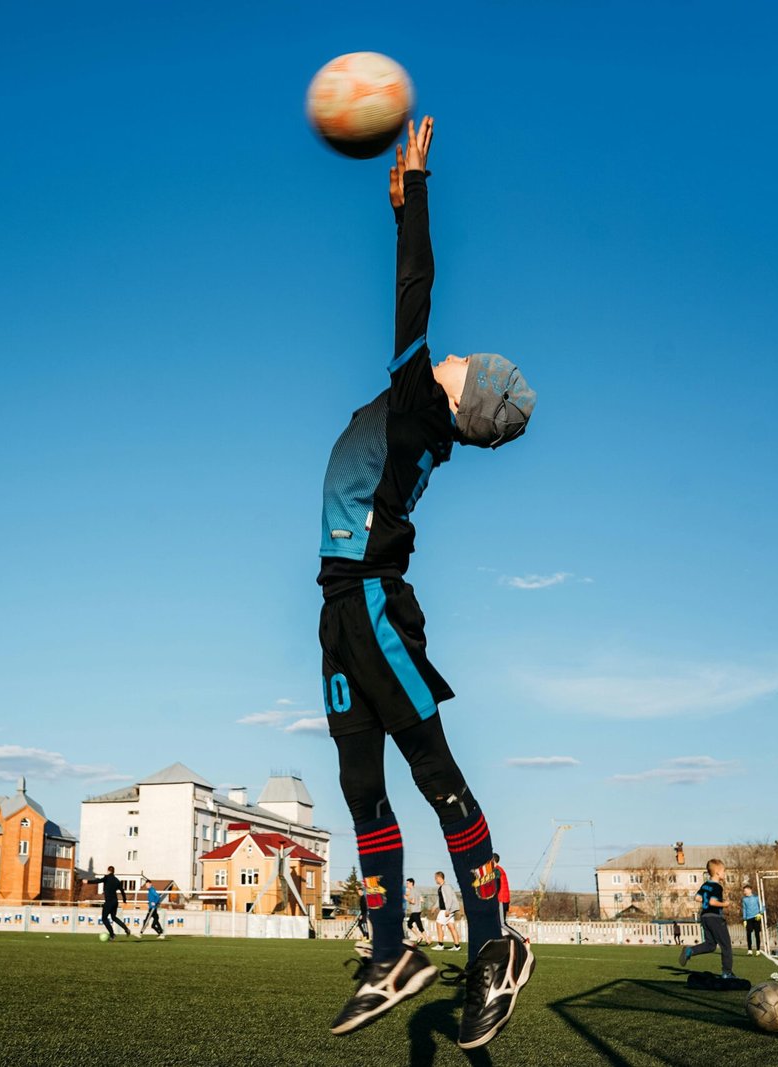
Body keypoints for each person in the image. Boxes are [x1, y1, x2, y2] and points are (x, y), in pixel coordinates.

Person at [317, 117, 536, 1049]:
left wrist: (414, 194)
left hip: (372, 599)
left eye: (465, 364)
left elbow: (414, 291)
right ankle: (391, 952)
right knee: (361, 785)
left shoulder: (417, 404)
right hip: (337, 606)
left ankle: (494, 946)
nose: (452, 352)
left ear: (460, 397)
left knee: (434, 773)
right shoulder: (424, 411)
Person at [678, 859, 735, 978]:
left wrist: (707, 901)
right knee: (726, 945)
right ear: (718, 872)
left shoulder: (705, 885)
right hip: (715, 918)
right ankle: (727, 972)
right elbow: (713, 902)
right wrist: (725, 904)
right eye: (724, 871)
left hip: (704, 917)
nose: (724, 874)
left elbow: (697, 898)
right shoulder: (717, 887)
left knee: (710, 945)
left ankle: (690, 951)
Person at [85, 866, 131, 940]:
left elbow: (98, 881)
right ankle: (126, 929)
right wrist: (124, 900)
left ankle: (112, 935)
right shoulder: (117, 880)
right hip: (115, 901)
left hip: (109, 901)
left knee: (104, 918)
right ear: (113, 871)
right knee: (114, 917)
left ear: (108, 871)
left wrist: (88, 882)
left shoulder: (106, 877)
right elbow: (122, 891)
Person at [431, 871, 463, 952]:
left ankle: (440, 945)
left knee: (438, 924)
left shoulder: (446, 886)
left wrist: (448, 910)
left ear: (439, 877)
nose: (435, 880)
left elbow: (449, 899)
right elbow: (440, 900)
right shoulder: (441, 888)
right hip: (447, 909)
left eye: (435, 878)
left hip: (446, 910)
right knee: (451, 927)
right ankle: (457, 946)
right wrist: (435, 907)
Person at [741, 885, 764, 954]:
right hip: (748, 918)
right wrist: (744, 919)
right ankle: (749, 950)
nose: (744, 892)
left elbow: (762, 907)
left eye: (745, 890)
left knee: (757, 934)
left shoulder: (756, 898)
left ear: (750, 890)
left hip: (756, 917)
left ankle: (758, 950)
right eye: (744, 891)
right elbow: (744, 909)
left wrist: (760, 913)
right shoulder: (744, 899)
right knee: (748, 934)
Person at [404, 877, 426, 944]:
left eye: (407, 883)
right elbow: (422, 900)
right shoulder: (416, 890)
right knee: (410, 924)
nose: (406, 884)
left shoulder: (412, 891)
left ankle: (427, 939)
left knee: (419, 926)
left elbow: (412, 901)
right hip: (417, 910)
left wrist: (406, 898)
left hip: (415, 911)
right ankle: (420, 937)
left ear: (411, 883)